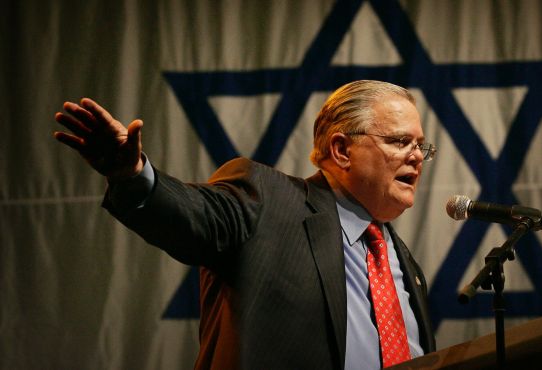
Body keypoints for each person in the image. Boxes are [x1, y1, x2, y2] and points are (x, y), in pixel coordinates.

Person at [54, 80, 437, 369]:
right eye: (401, 141)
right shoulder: (267, 199)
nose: (417, 157)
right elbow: (192, 216)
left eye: (422, 147)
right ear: (341, 150)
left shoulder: (402, 263)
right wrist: (133, 174)